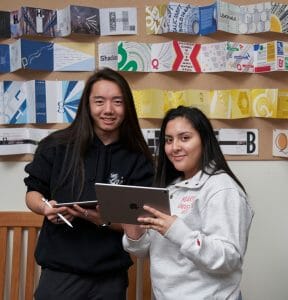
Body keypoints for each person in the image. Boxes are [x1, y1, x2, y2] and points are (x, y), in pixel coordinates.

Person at [24, 68, 154, 300]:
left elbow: (140, 220)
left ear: (128, 107)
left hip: (110, 274)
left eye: (117, 102)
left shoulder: (138, 157)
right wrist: (45, 208)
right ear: (87, 105)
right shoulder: (56, 145)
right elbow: (33, 191)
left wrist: (104, 220)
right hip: (59, 271)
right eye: (99, 101)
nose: (108, 110)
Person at [123, 106, 254, 300]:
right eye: (169, 140)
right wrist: (134, 234)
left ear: (204, 140)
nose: (174, 147)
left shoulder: (222, 189)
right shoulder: (170, 188)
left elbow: (229, 258)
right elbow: (150, 252)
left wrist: (177, 231)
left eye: (185, 138)